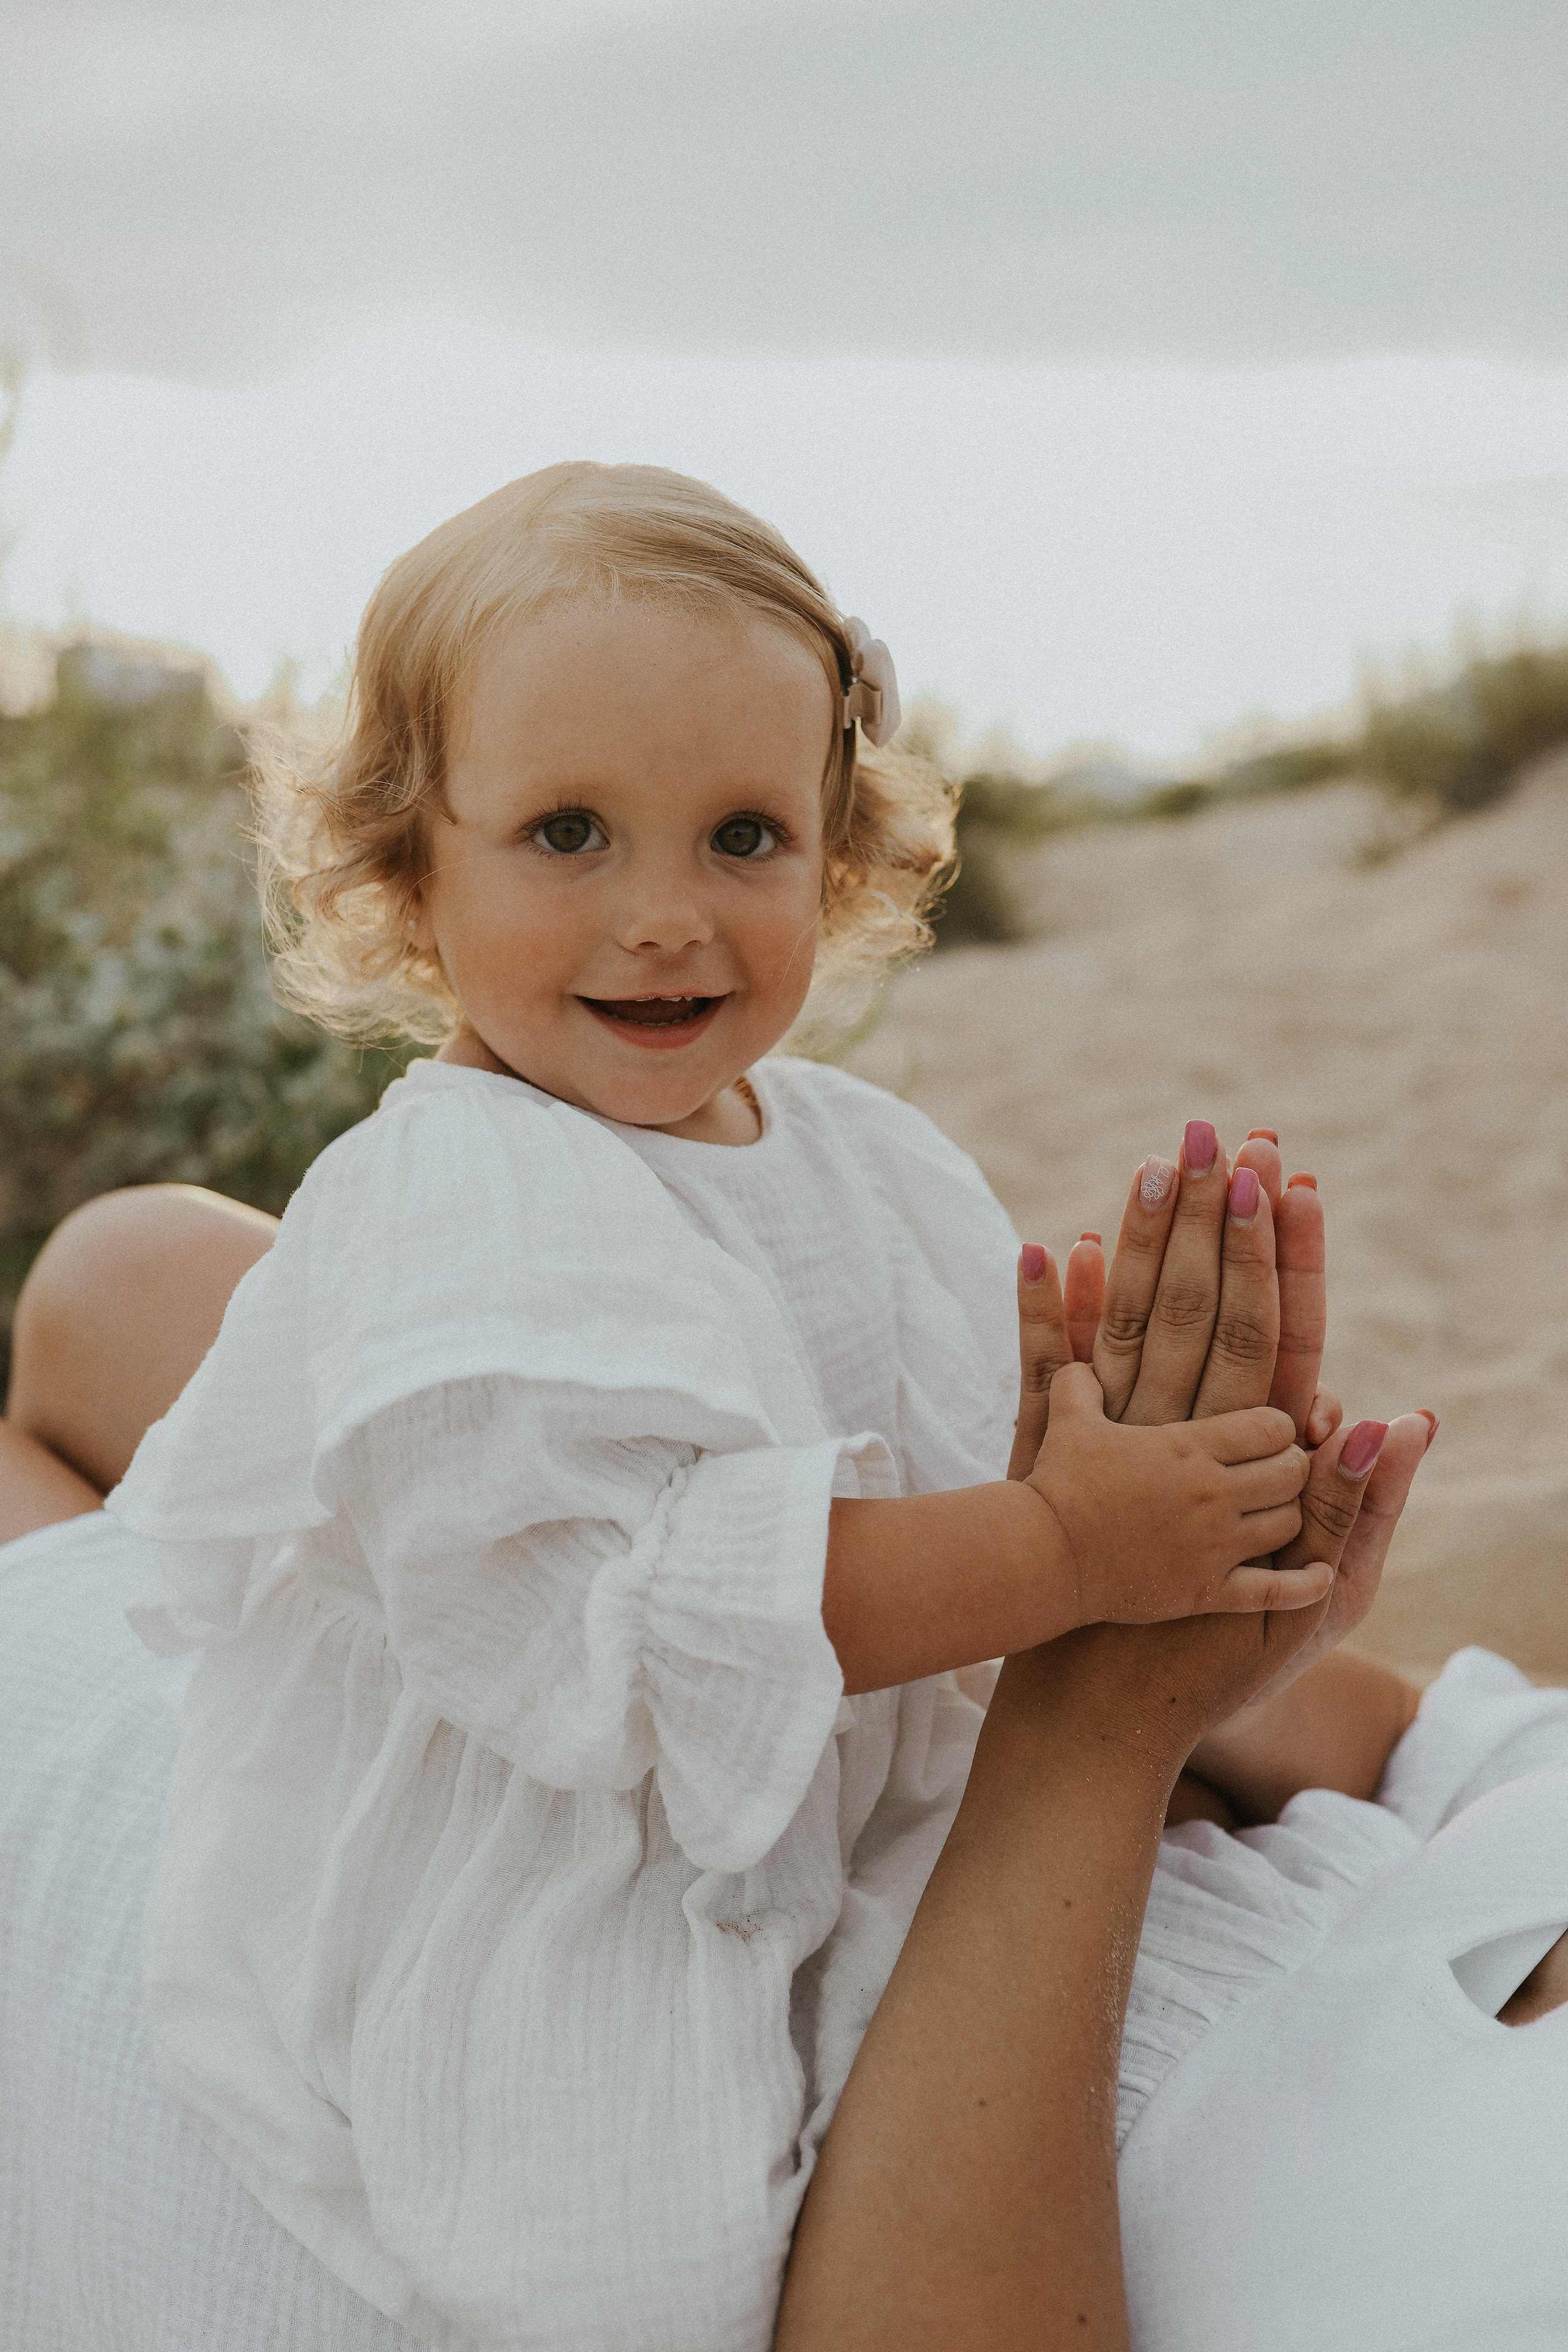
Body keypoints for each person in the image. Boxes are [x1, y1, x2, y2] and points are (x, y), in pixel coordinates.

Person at [0, 459, 1420, 2350]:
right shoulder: (458, 1206)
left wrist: (1097, 1461)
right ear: (408, 869)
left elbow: (898, 1448)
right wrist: (1068, 1546)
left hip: (818, 1777)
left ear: (835, 850)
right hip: (564, 1836)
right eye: (569, 832)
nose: (666, 915)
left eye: (742, 837)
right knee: (626, 2255)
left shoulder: (857, 1149)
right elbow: (676, 1620)